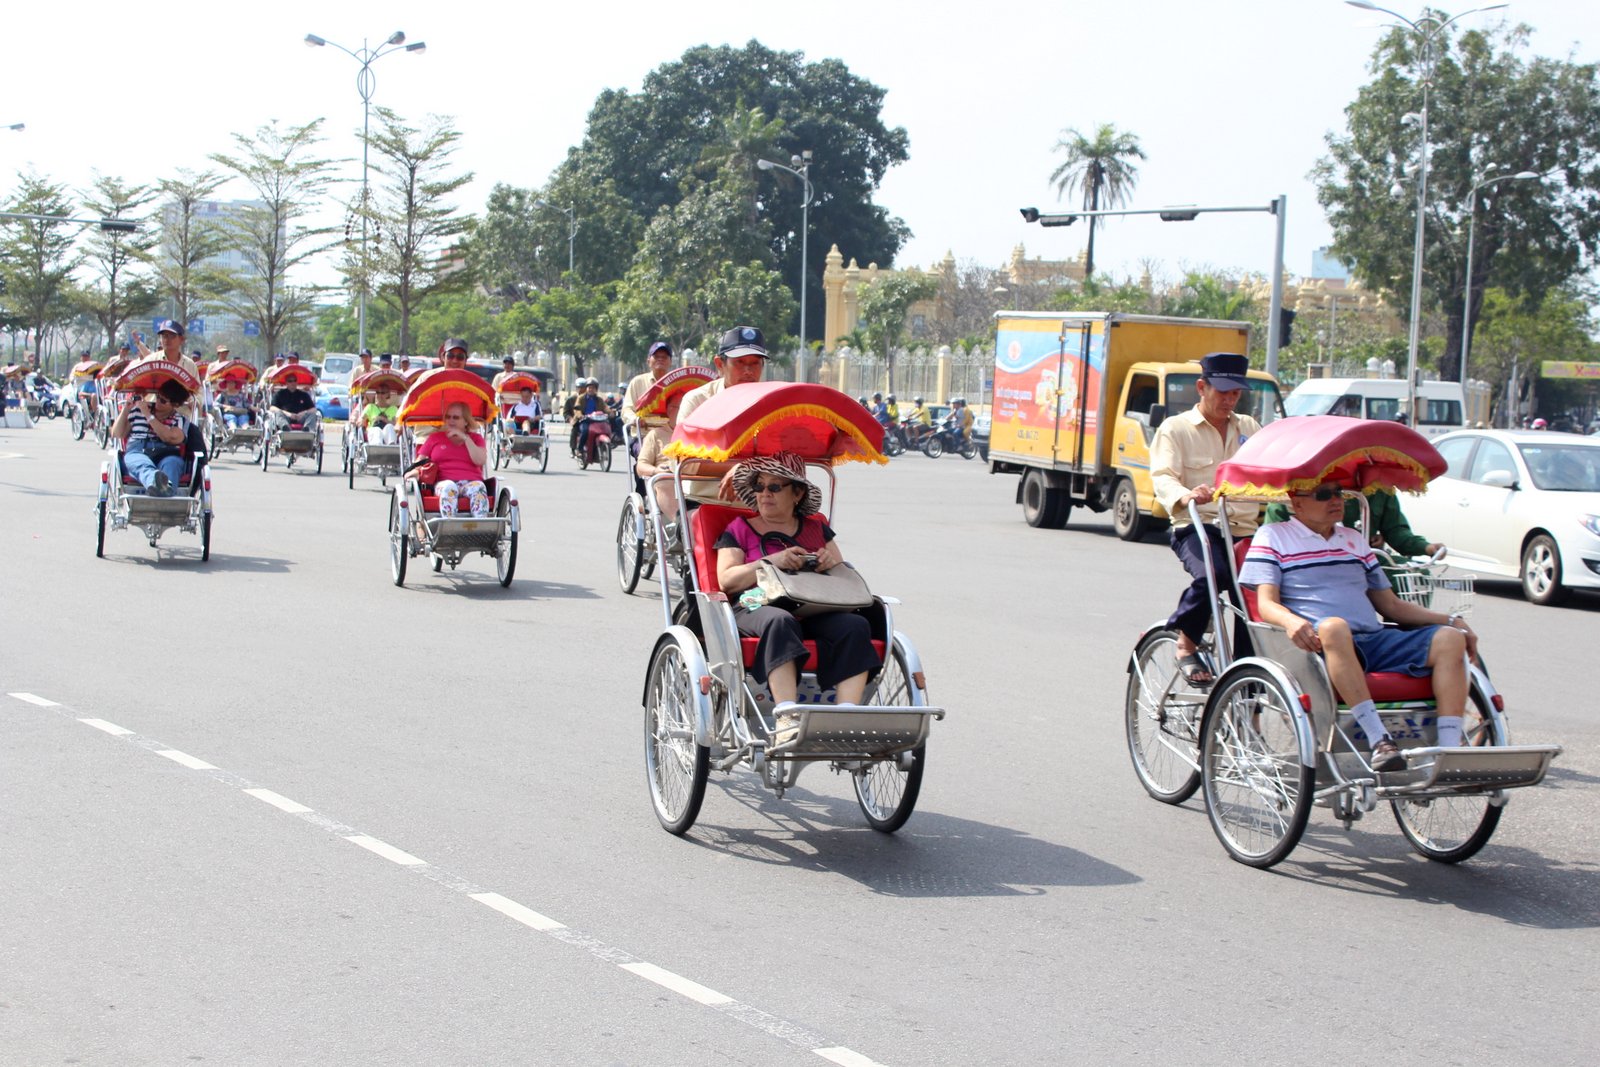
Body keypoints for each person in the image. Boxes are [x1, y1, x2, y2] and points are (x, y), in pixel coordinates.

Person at [1239, 480, 1479, 772]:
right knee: (1335, 627)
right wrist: (1291, 621)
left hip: (1371, 639)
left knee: (1450, 638)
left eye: (1338, 493)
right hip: (1317, 646)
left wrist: (1452, 621)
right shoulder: (1273, 535)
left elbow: (1391, 606)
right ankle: (1380, 741)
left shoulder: (1353, 538)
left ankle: (1449, 749)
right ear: (1296, 502)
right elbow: (1266, 604)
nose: (1335, 500)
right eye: (1323, 494)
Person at [715, 451, 879, 743]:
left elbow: (841, 576)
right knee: (780, 621)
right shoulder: (740, 529)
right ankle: (787, 718)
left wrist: (828, 560)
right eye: (759, 486)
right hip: (754, 603)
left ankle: (846, 718)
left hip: (812, 605)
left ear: (797, 493)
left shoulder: (816, 528)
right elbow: (727, 580)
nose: (764, 494)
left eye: (774, 487)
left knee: (856, 627)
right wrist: (772, 561)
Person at [1149, 352, 1262, 686]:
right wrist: (1186, 495)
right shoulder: (1176, 428)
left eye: (1235, 393)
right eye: (1222, 392)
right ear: (1201, 387)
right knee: (1215, 574)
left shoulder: (1250, 429)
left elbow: (1271, 471)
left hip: (1243, 530)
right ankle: (1186, 641)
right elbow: (1163, 477)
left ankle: (1247, 686)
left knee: (1258, 595)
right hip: (1198, 525)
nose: (1229, 400)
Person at [676, 326, 769, 499]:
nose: (748, 371)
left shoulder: (773, 406)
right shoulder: (697, 401)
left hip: (762, 506)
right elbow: (686, 462)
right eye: (739, 362)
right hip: (706, 501)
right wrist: (741, 467)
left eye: (755, 363)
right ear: (720, 364)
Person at [1264, 491, 1442, 561]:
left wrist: (1426, 547)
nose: (1336, 501)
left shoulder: (1379, 489)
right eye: (1327, 494)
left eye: (1338, 494)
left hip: (1362, 560)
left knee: (1412, 580)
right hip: (1304, 562)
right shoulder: (1288, 498)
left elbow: (1396, 530)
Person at [111, 380, 191, 496]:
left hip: (166, 451)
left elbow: (168, 437)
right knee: (142, 464)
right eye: (158, 397)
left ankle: (162, 491)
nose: (158, 402)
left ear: (175, 405)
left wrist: (148, 415)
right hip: (138, 449)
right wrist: (125, 410)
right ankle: (157, 483)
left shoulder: (179, 419)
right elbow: (117, 434)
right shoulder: (138, 411)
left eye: (163, 401)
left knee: (173, 463)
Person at [417, 401, 489, 517]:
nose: (451, 421)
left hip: (471, 482)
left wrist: (465, 438)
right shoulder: (435, 438)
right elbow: (420, 461)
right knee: (449, 487)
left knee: (478, 488)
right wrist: (414, 471)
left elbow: (480, 461)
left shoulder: (476, 438)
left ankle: (480, 528)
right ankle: (449, 526)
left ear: (466, 421)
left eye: (455, 418)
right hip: (444, 482)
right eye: (448, 417)